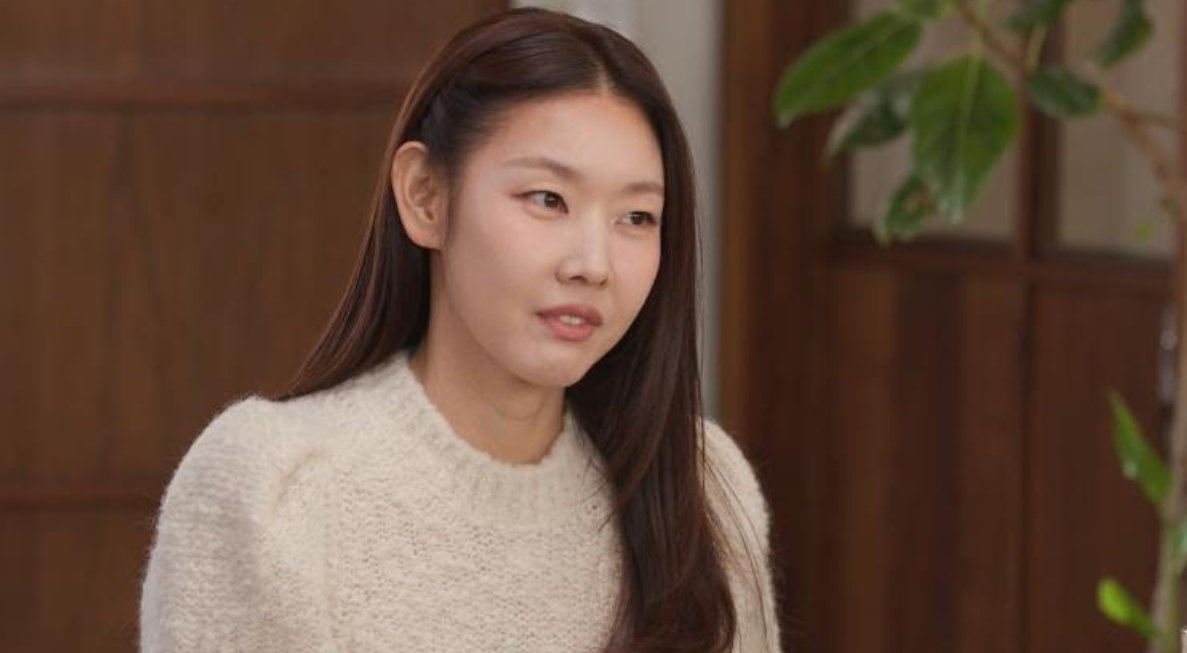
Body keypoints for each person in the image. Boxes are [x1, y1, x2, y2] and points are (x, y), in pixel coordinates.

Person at [138, 7, 782, 653]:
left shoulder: (704, 493)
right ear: (425, 196)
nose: (593, 264)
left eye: (637, 217)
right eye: (548, 199)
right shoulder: (278, 491)